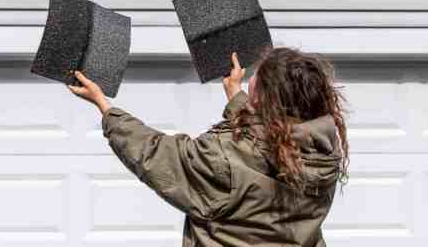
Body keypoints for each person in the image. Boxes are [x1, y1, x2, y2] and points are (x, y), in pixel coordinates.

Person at [67, 47, 350, 247]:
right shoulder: (322, 152)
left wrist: (104, 106)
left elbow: (156, 153)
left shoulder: (222, 158)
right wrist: (237, 98)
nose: (251, 80)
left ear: (266, 99)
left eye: (258, 79)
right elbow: (267, 140)